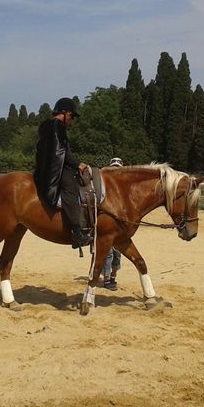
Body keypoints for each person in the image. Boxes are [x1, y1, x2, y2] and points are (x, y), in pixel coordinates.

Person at [34, 97, 92, 248]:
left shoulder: (48, 126)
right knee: (70, 188)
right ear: (65, 113)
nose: (71, 120)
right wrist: (77, 164)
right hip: (56, 168)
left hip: (46, 167)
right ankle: (77, 231)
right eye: (71, 116)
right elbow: (62, 152)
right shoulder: (57, 126)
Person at [102, 157, 124, 289]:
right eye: (113, 168)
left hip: (120, 226)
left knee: (118, 253)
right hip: (107, 225)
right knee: (108, 253)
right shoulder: (105, 187)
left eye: (117, 168)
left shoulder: (124, 189)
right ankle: (106, 279)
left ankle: (113, 277)